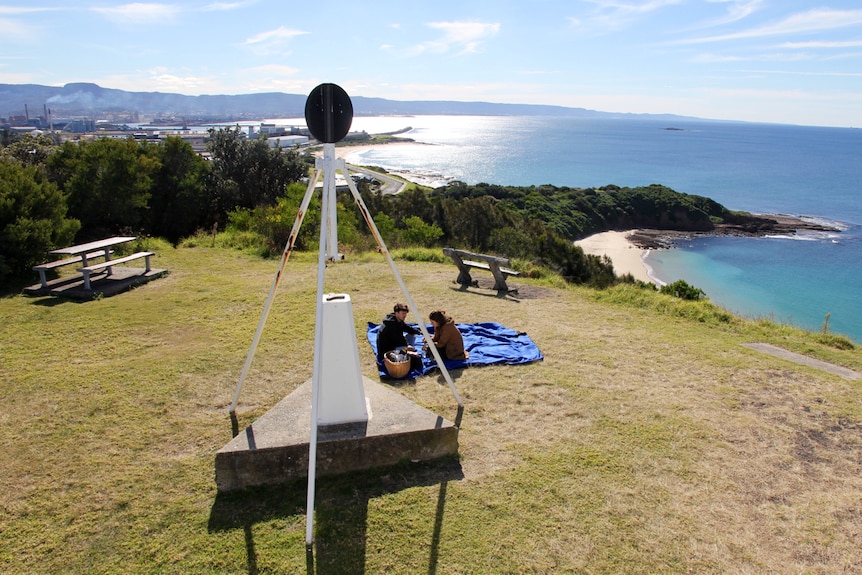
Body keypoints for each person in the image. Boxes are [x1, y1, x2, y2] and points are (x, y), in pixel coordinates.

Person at [377, 303, 423, 370]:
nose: (405, 316)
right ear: (396, 313)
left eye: (405, 313)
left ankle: (406, 351)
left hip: (396, 343)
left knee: (412, 334)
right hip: (388, 349)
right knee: (413, 356)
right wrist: (407, 347)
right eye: (403, 313)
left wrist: (420, 332)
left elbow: (407, 328)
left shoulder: (398, 320)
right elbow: (399, 340)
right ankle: (406, 354)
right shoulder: (392, 325)